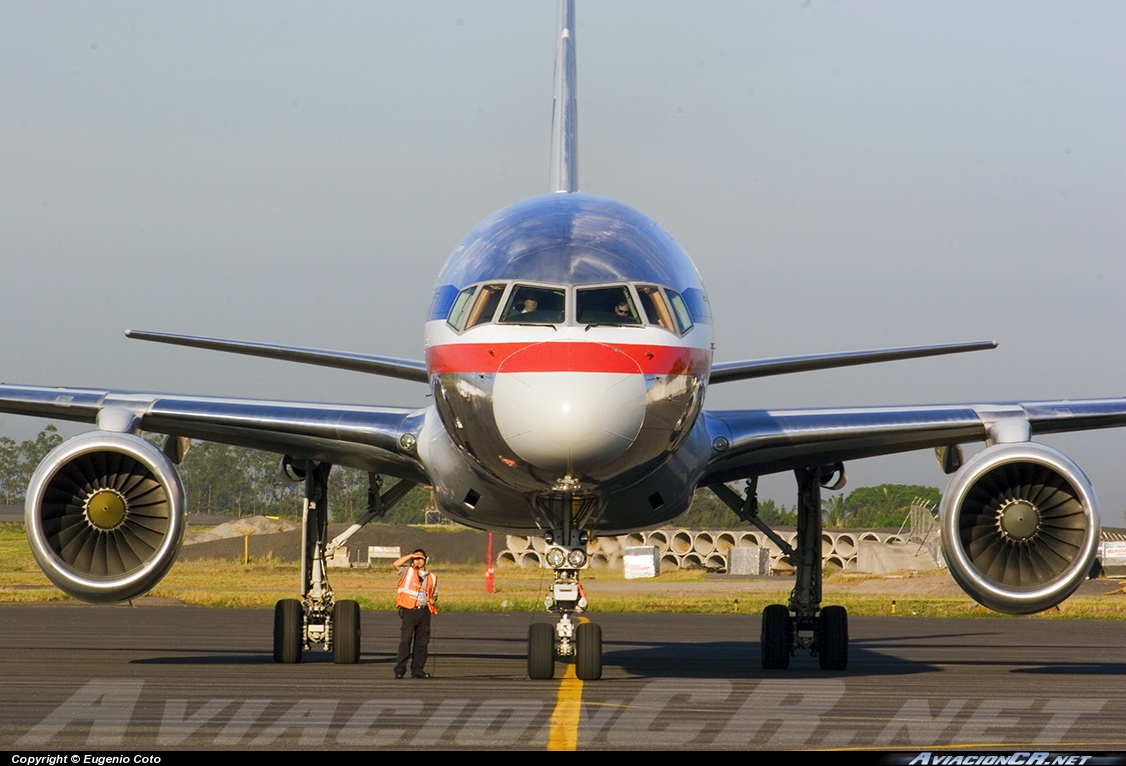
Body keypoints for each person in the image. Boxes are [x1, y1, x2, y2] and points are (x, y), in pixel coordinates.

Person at [392, 548, 438, 678]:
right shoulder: (406, 571)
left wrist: (432, 600)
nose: (418, 561)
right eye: (415, 558)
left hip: (424, 611)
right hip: (409, 610)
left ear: (426, 560)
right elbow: (396, 564)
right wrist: (410, 555)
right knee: (405, 641)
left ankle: (417, 670)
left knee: (422, 643)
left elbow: (434, 594)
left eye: (420, 558)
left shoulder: (432, 577)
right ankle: (400, 670)